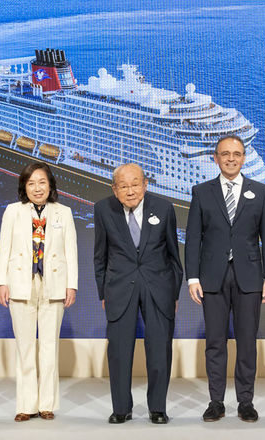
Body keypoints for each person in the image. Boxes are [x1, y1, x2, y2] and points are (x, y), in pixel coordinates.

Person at [185, 134, 265, 423]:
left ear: (244, 157)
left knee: (247, 341)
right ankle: (216, 402)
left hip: (250, 277)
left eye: (236, 154)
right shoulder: (201, 192)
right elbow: (192, 240)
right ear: (215, 158)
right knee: (215, 342)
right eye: (225, 154)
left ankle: (245, 402)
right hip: (211, 277)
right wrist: (192, 278)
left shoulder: (260, 191)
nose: (231, 159)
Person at [93, 163, 183, 425]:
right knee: (119, 352)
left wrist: (174, 293)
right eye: (123, 186)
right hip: (119, 289)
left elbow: (174, 256)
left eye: (135, 184)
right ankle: (121, 408)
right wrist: (102, 293)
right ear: (114, 188)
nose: (130, 191)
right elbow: (100, 257)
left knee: (159, 350)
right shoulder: (103, 209)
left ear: (145, 184)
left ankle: (157, 408)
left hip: (159, 288)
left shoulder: (164, 208)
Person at [0, 162, 78, 421]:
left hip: (53, 284)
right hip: (20, 283)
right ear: (24, 187)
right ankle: (25, 405)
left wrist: (71, 285)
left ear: (50, 185)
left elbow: (71, 252)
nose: (37, 188)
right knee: (25, 347)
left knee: (50, 346)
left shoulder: (63, 212)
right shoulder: (12, 211)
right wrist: (1, 282)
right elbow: (4, 249)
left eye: (42, 182)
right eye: (31, 183)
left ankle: (46, 404)